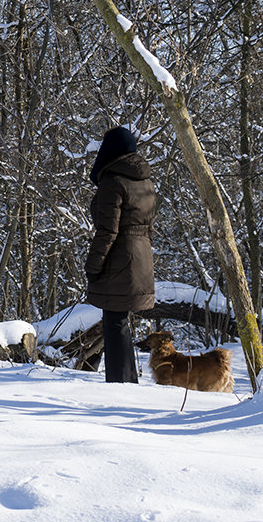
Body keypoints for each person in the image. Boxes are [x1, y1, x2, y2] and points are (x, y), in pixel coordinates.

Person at [86, 126, 157, 383]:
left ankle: (120, 383)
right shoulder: (145, 182)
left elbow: (107, 231)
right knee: (121, 321)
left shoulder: (112, 182)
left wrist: (93, 266)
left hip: (119, 257)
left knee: (114, 322)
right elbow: (149, 227)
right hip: (142, 257)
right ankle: (128, 380)